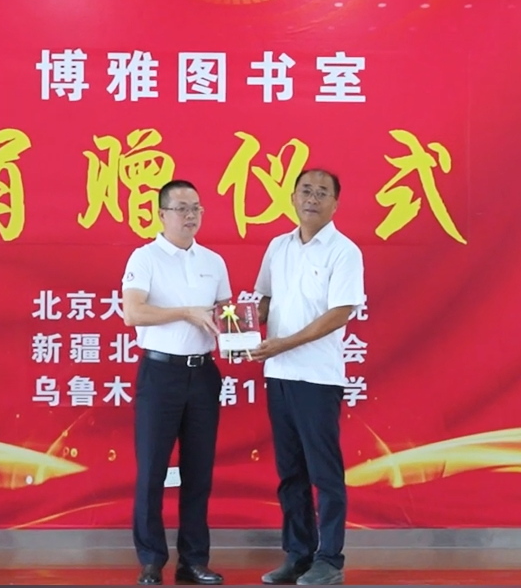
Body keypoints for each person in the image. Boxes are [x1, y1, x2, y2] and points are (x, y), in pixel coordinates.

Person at [249, 169, 365, 586]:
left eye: (322, 193)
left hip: (317, 378)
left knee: (324, 473)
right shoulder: (278, 246)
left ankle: (329, 559)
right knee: (291, 472)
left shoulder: (344, 252)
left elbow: (340, 313)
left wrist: (285, 343)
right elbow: (264, 301)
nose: (312, 198)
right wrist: (235, 324)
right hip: (278, 374)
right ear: (293, 197)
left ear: (335, 204)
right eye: (306, 191)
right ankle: (298, 555)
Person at [121, 179, 231, 586]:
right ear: (161, 214)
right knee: (152, 469)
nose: (190, 216)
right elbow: (134, 313)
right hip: (160, 374)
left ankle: (194, 560)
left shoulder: (213, 261)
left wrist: (240, 337)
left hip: (203, 374)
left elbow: (225, 314)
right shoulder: (145, 257)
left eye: (196, 208)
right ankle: (151, 560)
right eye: (181, 208)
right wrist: (186, 312)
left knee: (199, 471)